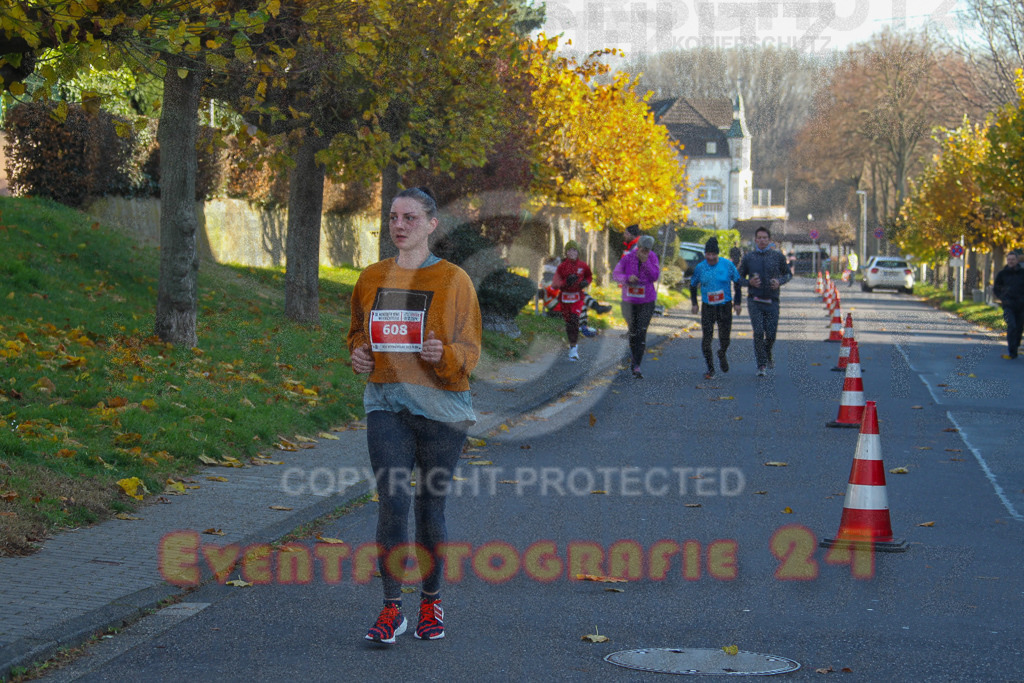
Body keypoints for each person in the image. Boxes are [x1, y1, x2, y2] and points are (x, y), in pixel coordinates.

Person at [347, 187, 481, 644]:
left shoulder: (453, 280)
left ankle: (431, 602)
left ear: (431, 224)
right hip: (387, 404)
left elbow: (471, 351)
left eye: (409, 217)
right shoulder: (370, 278)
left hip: (443, 409)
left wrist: (445, 353)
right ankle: (391, 610)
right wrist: (360, 356)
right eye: (392, 217)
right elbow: (357, 337)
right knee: (392, 503)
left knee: (429, 508)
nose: (398, 225)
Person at [738, 225, 792, 376]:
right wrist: (749, 282)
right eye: (759, 238)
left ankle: (767, 353)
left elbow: (788, 274)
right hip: (754, 300)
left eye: (765, 238)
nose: (762, 241)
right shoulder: (749, 257)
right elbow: (738, 278)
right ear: (755, 240)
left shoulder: (777, 256)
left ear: (769, 240)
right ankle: (761, 365)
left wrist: (779, 282)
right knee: (758, 332)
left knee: (771, 334)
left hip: (772, 300)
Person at [690, 237, 742, 379]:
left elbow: (738, 283)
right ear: (705, 254)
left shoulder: (727, 265)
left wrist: (738, 303)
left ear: (718, 254)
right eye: (708, 254)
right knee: (706, 338)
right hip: (708, 307)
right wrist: (694, 303)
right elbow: (693, 285)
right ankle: (710, 368)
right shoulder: (701, 267)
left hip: (724, 306)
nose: (711, 257)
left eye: (714, 255)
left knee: (725, 337)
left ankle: (722, 352)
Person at [613, 234, 660, 378]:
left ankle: (636, 365)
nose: (644, 252)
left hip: (647, 301)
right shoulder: (628, 257)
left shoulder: (652, 257)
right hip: (629, 302)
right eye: (642, 249)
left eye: (647, 250)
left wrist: (645, 262)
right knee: (633, 332)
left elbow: (655, 276)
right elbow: (616, 274)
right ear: (638, 247)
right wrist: (627, 279)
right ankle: (634, 357)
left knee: (641, 331)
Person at [552, 240, 593, 360]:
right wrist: (566, 282)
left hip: (577, 298)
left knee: (575, 319)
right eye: (569, 250)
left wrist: (586, 282)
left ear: (578, 252)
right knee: (569, 323)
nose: (572, 252)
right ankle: (572, 345)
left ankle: (574, 349)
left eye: (574, 250)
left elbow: (589, 276)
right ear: (566, 253)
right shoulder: (561, 267)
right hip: (565, 299)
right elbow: (555, 284)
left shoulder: (583, 266)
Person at [993, 250, 1024, 359]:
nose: (1010, 261)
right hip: (1008, 305)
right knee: (1012, 325)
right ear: (1007, 260)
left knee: (1019, 328)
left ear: (1017, 260)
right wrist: (1002, 298)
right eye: (1009, 259)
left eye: (1013, 259)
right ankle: (1012, 350)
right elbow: (996, 288)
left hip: (1021, 305)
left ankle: (1016, 344)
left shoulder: (1022, 273)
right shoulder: (1002, 274)